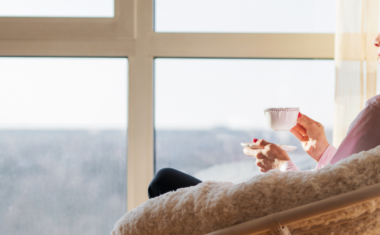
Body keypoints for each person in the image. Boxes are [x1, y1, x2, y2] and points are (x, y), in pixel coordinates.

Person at [148, 34, 380, 199]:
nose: (376, 40)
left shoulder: (376, 111)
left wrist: (281, 165)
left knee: (164, 181)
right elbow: (344, 191)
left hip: (277, 223)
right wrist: (324, 153)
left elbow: (324, 206)